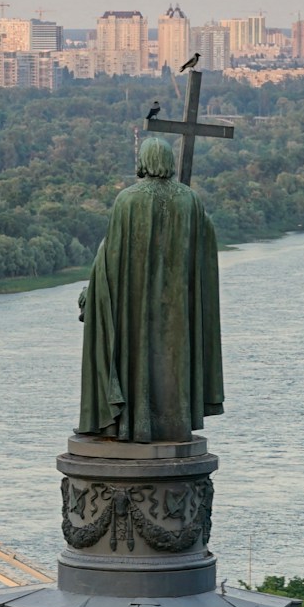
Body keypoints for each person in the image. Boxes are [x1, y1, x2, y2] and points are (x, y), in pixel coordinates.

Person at [76, 136, 224, 443]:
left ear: (144, 161)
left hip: (135, 307)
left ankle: (132, 422)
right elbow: (204, 249)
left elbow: (112, 258)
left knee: (135, 356)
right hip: (179, 309)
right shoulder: (191, 201)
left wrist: (94, 292)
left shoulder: (128, 200)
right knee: (172, 363)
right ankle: (173, 423)